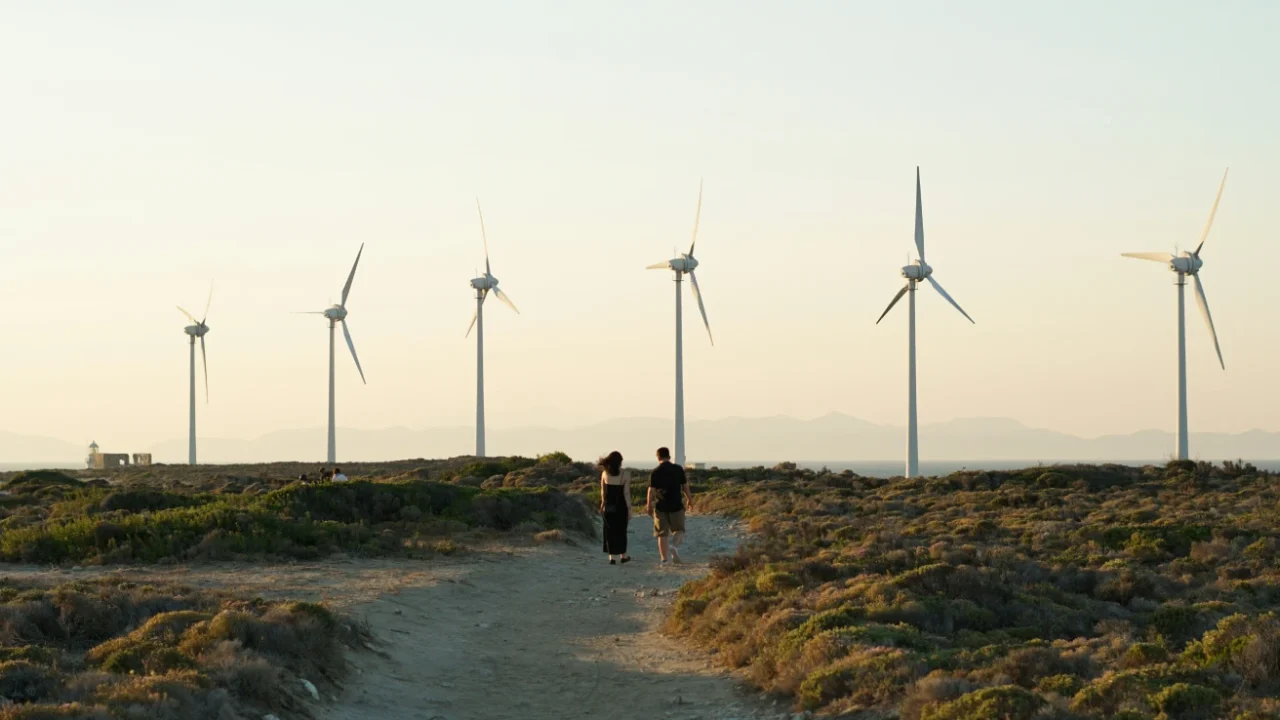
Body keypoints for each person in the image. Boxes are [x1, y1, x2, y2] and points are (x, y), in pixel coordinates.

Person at [646, 446, 692, 564]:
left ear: (658, 457)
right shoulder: (678, 469)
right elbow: (685, 487)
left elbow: (651, 491)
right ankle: (674, 546)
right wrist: (690, 500)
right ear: (669, 456)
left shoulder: (655, 472)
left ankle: (664, 560)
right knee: (679, 530)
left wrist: (649, 506)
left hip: (661, 506)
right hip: (676, 505)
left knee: (662, 534)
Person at [598, 451, 632, 565]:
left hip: (608, 505)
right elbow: (626, 493)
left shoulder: (604, 474)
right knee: (621, 531)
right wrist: (629, 509)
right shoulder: (625, 474)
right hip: (621, 506)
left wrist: (602, 504)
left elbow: (603, 492)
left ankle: (612, 557)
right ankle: (623, 556)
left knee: (609, 531)